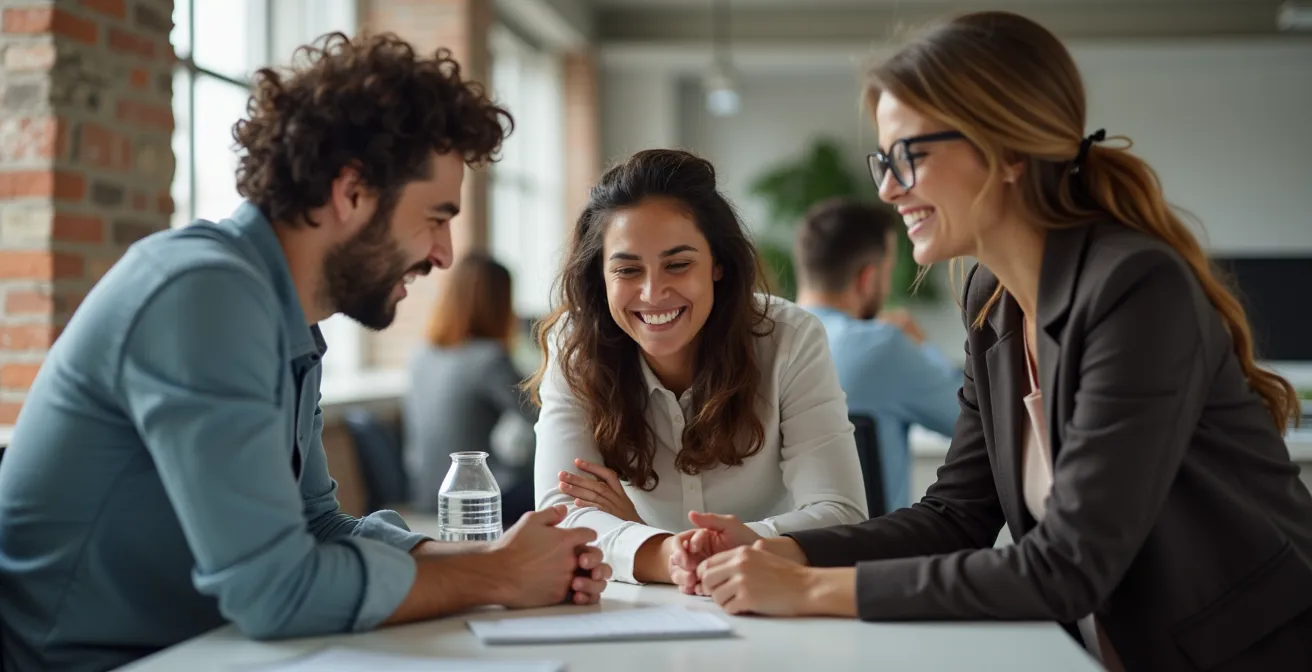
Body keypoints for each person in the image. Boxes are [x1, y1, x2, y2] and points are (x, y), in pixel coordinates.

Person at [678, 11, 1312, 672]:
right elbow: (957, 514)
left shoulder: (1135, 289)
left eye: (909, 156)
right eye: (882, 162)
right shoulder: (994, 299)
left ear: (1009, 151)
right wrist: (785, 549)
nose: (890, 189)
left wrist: (809, 590)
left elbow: (1069, 566)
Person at [0, 32, 609, 672]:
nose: (444, 254)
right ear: (352, 192)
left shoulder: (283, 318)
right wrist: (499, 579)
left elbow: (319, 528)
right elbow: (275, 590)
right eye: (435, 216)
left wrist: (497, 559)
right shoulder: (203, 295)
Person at [527, 148, 868, 589]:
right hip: (641, 615)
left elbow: (841, 514)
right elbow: (561, 517)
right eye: (628, 269)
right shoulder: (575, 347)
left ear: (718, 265)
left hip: (773, 600)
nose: (652, 293)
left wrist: (670, 542)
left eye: (678, 264)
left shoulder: (790, 338)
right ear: (600, 278)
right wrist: (668, 552)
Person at [793, 197, 959, 512]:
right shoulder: (882, 346)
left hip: (785, 552)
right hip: (874, 554)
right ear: (867, 278)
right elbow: (976, 419)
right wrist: (922, 344)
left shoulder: (763, 343)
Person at [403, 252, 538, 523]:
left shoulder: (422, 355)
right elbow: (543, 414)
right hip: (471, 500)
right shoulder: (489, 359)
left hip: (427, 493)